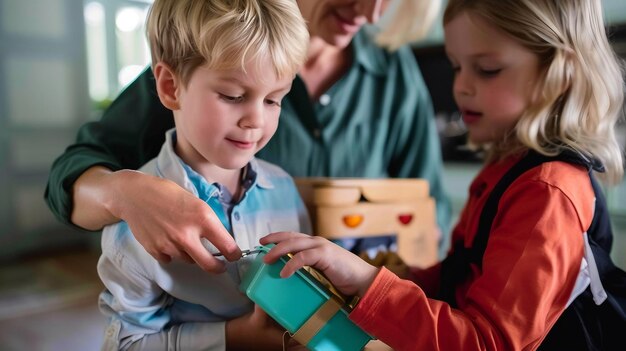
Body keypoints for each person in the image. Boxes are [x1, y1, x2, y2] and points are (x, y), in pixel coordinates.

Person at [260, 0, 626, 349]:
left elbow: (488, 342)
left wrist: (370, 283)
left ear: (558, 74)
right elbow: (457, 279)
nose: (460, 87)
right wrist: (366, 279)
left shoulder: (547, 193)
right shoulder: (507, 172)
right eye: (456, 67)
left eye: (487, 69)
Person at [44, 0, 452, 272]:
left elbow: (431, 205)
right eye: (234, 96)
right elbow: (69, 174)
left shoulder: (395, 72)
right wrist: (123, 192)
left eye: (276, 99)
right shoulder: (216, 45)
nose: (370, 10)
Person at [96, 0, 311, 349]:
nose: (256, 120)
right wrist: (235, 338)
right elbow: (125, 344)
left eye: (273, 100)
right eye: (233, 95)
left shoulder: (285, 189)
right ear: (170, 87)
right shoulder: (135, 226)